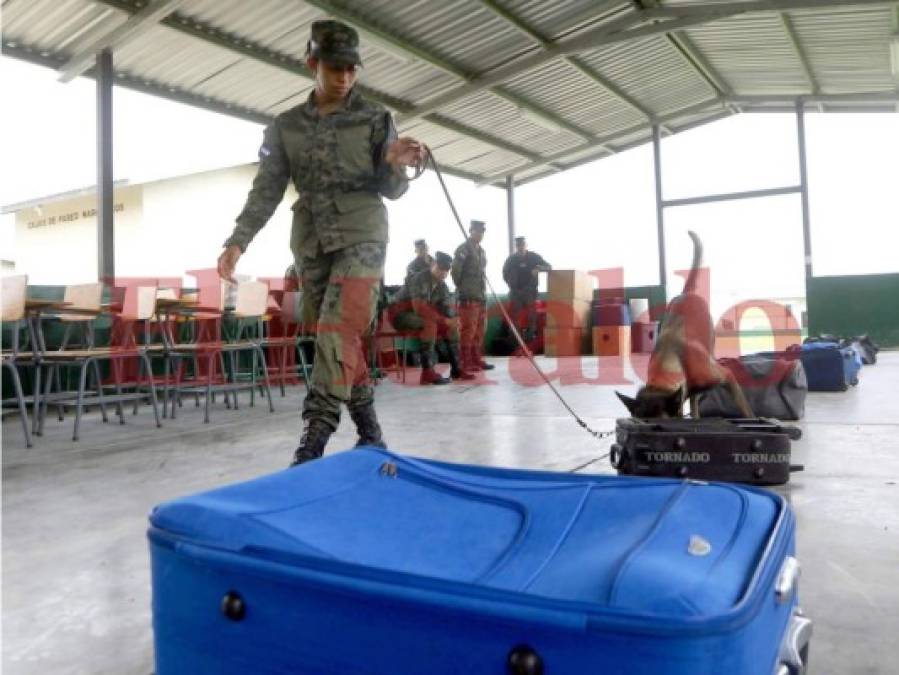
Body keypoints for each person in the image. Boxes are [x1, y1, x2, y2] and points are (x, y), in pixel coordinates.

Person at [216, 19, 427, 466]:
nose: (345, 77)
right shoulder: (285, 126)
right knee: (340, 341)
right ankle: (371, 433)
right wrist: (238, 241)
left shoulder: (376, 118)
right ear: (312, 63)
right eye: (335, 68)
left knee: (338, 331)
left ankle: (314, 440)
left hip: (363, 238)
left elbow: (394, 191)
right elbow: (267, 188)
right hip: (311, 244)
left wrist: (394, 164)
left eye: (352, 69)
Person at [391, 251, 475, 385]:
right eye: (440, 268)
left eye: (446, 270)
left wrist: (454, 320)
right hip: (400, 315)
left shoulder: (442, 286)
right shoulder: (419, 279)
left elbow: (448, 307)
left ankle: (457, 370)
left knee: (451, 328)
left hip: (418, 316)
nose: (443, 272)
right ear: (433, 264)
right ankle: (427, 373)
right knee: (430, 323)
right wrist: (445, 320)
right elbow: (420, 308)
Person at [451, 220, 494, 372]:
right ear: (470, 231)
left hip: (480, 295)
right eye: (477, 231)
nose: (480, 234)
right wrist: (464, 288)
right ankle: (466, 361)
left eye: (482, 232)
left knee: (480, 330)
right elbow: (455, 272)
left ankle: (476, 359)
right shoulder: (463, 249)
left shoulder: (481, 251)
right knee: (468, 330)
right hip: (468, 296)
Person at [502, 236, 551, 342]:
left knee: (532, 314)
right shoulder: (511, 259)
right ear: (516, 247)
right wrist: (511, 283)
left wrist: (538, 269)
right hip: (515, 291)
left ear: (526, 245)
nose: (520, 247)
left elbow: (549, 267)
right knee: (514, 315)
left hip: (530, 291)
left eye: (522, 245)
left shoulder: (534, 257)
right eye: (518, 245)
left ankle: (531, 336)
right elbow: (504, 273)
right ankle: (515, 339)